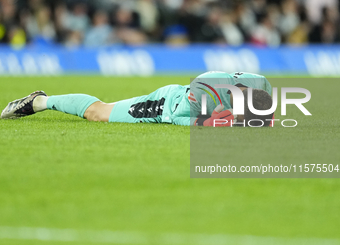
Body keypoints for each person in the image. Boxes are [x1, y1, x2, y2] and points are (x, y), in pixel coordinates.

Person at [0, 72, 274, 127]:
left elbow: (267, 116)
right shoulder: (206, 90)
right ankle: (40, 101)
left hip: (191, 98)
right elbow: (178, 118)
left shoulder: (260, 84)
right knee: (98, 112)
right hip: (169, 103)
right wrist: (208, 123)